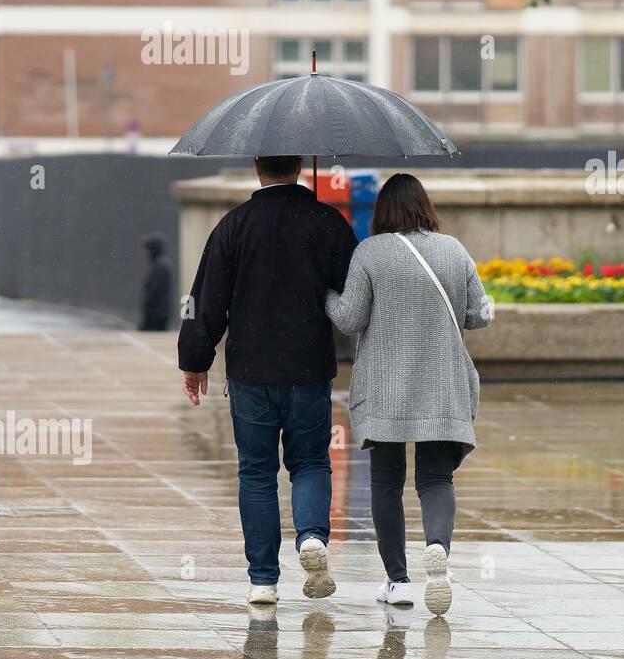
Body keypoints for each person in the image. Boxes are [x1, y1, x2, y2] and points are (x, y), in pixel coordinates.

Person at [178, 155, 358, 606]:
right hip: (309, 370)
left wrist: (195, 359)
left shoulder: (234, 226)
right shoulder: (328, 222)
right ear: (299, 165)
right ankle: (312, 538)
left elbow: (207, 299)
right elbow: (354, 295)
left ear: (257, 165)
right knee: (311, 463)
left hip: (250, 373)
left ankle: (263, 580)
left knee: (256, 472)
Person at [325, 173, 493, 616]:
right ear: (425, 207)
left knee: (385, 481)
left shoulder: (369, 253)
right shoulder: (454, 250)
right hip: (441, 386)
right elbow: (479, 314)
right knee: (436, 479)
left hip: (387, 389)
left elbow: (348, 318)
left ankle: (397, 581)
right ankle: (437, 550)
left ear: (382, 211)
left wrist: (324, 294)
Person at [138, 232, 174, 331]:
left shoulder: (160, 266)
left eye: (147, 249)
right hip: (158, 313)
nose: (145, 253)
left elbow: (154, 292)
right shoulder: (160, 264)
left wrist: (147, 307)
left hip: (156, 315)